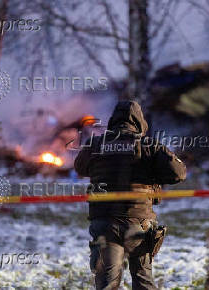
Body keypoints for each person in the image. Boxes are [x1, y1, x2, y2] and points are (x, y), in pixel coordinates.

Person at [74, 100, 186, 289]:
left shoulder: (96, 144)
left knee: (107, 283)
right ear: (139, 121)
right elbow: (179, 173)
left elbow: (80, 167)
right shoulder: (149, 145)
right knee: (143, 280)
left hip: (105, 223)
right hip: (138, 223)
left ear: (113, 121)